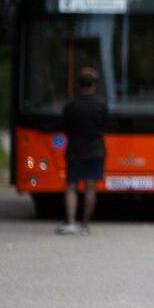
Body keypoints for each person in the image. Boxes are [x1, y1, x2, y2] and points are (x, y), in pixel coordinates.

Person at [56, 67, 107, 235]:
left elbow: (64, 127)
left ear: (79, 84)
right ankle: (85, 224)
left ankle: (71, 222)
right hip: (96, 150)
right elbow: (105, 125)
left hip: (75, 150)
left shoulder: (71, 104)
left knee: (71, 186)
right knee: (91, 186)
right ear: (94, 84)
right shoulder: (101, 104)